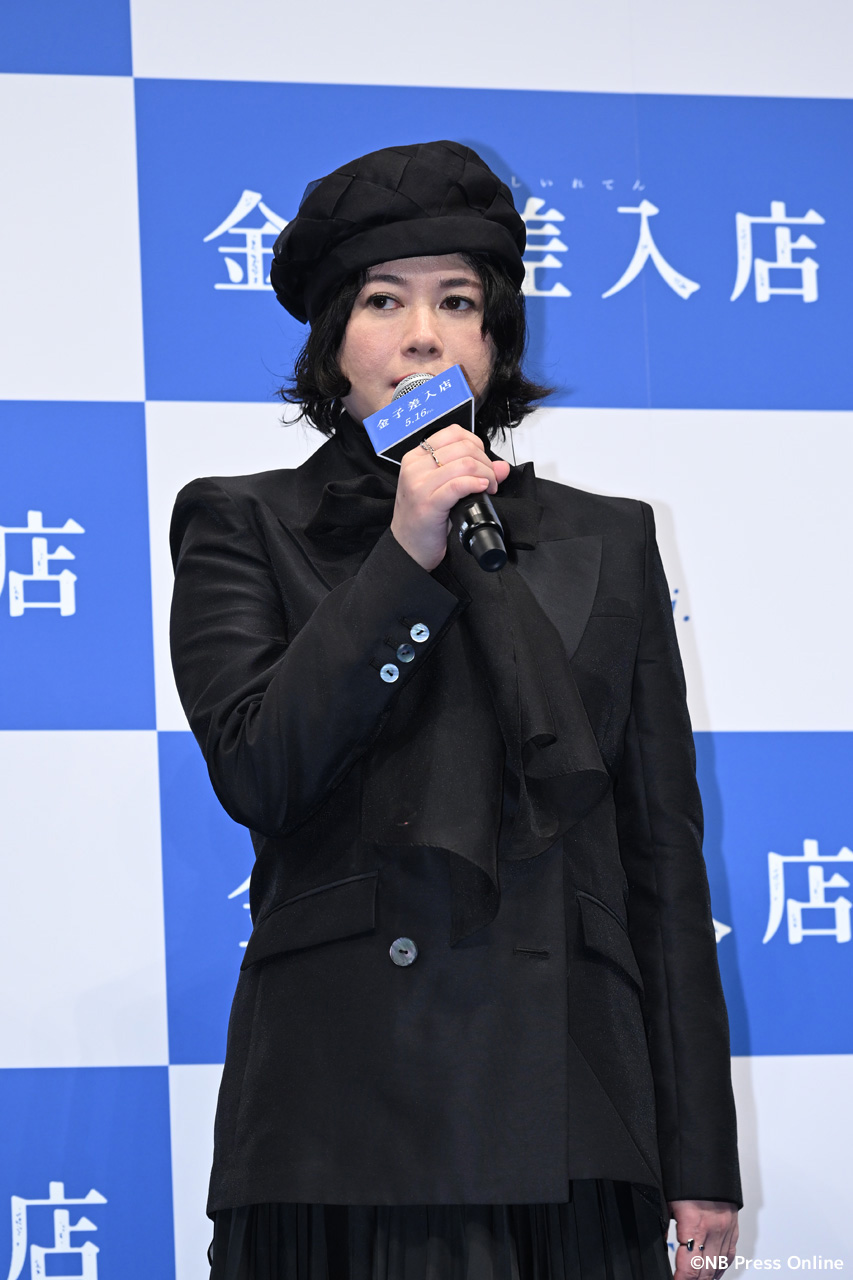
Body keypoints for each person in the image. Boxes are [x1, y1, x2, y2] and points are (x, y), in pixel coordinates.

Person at [169, 140, 741, 1280]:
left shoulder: (608, 537)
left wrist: (698, 1156)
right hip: (342, 1111)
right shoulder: (241, 521)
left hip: (573, 1112)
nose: (424, 335)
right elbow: (260, 770)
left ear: (494, 338)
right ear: (333, 339)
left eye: (458, 301)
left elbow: (658, 860)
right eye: (384, 300)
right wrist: (403, 554)